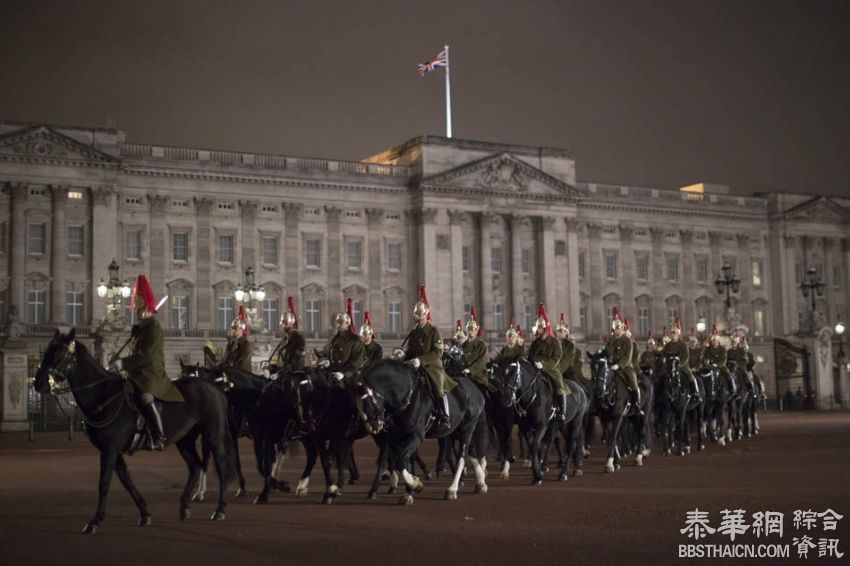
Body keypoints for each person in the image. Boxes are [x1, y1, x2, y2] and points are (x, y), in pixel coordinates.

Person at [108, 274, 183, 450]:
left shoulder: (154, 329)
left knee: (146, 397)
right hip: (136, 373)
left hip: (150, 372)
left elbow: (147, 355)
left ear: (149, 308)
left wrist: (123, 364)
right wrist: (119, 360)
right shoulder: (141, 329)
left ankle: (159, 436)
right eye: (137, 309)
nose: (138, 312)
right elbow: (134, 351)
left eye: (141, 309)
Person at [403, 285, 456, 432]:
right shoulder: (414, 332)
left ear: (426, 314)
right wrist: (402, 357)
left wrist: (421, 360)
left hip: (431, 366)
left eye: (420, 314)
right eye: (416, 314)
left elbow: (437, 353)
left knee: (438, 387)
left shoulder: (433, 331)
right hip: (414, 365)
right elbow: (410, 351)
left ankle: (445, 415)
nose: (418, 316)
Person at [529, 303, 568, 421]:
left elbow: (556, 358)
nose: (538, 330)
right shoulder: (535, 343)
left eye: (540, 328)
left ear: (545, 328)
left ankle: (562, 411)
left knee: (559, 386)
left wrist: (544, 365)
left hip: (550, 369)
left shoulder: (554, 342)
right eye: (537, 328)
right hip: (535, 368)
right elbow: (530, 357)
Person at [317, 298, 365, 389]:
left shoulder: (355, 340)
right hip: (332, 373)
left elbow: (356, 362)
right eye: (337, 322)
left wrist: (343, 374)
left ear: (347, 323)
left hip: (348, 377)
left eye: (340, 322)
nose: (338, 325)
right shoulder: (335, 338)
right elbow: (331, 355)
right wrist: (327, 361)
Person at [604, 307, 641, 411]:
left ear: (622, 328)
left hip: (625, 367)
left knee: (633, 382)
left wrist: (619, 365)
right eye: (614, 328)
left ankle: (636, 404)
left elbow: (628, 357)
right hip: (612, 365)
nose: (616, 330)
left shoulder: (627, 340)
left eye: (618, 328)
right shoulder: (611, 339)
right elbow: (607, 352)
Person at [661, 318, 701, 403]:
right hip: (670, 366)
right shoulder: (667, 345)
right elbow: (663, 354)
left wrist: (680, 364)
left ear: (678, 334)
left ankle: (696, 393)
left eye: (674, 333)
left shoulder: (683, 345)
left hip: (681, 366)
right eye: (671, 333)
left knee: (691, 376)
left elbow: (686, 357)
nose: (672, 335)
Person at [266, 297, 306, 379]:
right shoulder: (285, 338)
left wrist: (279, 374)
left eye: (285, 322)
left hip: (295, 375)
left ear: (291, 323)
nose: (282, 325)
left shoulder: (299, 338)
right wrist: (269, 367)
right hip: (284, 373)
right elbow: (282, 362)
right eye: (282, 323)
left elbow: (297, 362)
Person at [461, 307, 490, 392]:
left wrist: (470, 370)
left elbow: (481, 362)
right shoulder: (463, 346)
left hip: (478, 378)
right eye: (469, 329)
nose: (471, 331)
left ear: (477, 330)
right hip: (463, 376)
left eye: (473, 329)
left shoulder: (481, 345)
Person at [702, 324, 735, 395]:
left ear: (718, 341)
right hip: (709, 366)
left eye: (715, 341)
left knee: (728, 374)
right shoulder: (708, 349)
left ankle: (731, 388)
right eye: (713, 341)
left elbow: (723, 359)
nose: (714, 342)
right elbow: (704, 356)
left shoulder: (722, 349)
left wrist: (717, 364)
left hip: (720, 366)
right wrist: (706, 362)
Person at [222, 305, 254, 373]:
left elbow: (243, 361)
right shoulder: (231, 343)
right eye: (232, 329)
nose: (233, 331)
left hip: (243, 375)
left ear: (241, 330)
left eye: (235, 329)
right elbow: (226, 359)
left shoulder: (247, 345)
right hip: (232, 373)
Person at [556, 314, 582, 382]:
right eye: (557, 332)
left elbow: (566, 361)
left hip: (567, 371)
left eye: (561, 332)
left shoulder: (570, 346)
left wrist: (558, 370)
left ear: (565, 333)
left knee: (577, 387)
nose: (558, 334)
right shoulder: (554, 344)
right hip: (555, 371)